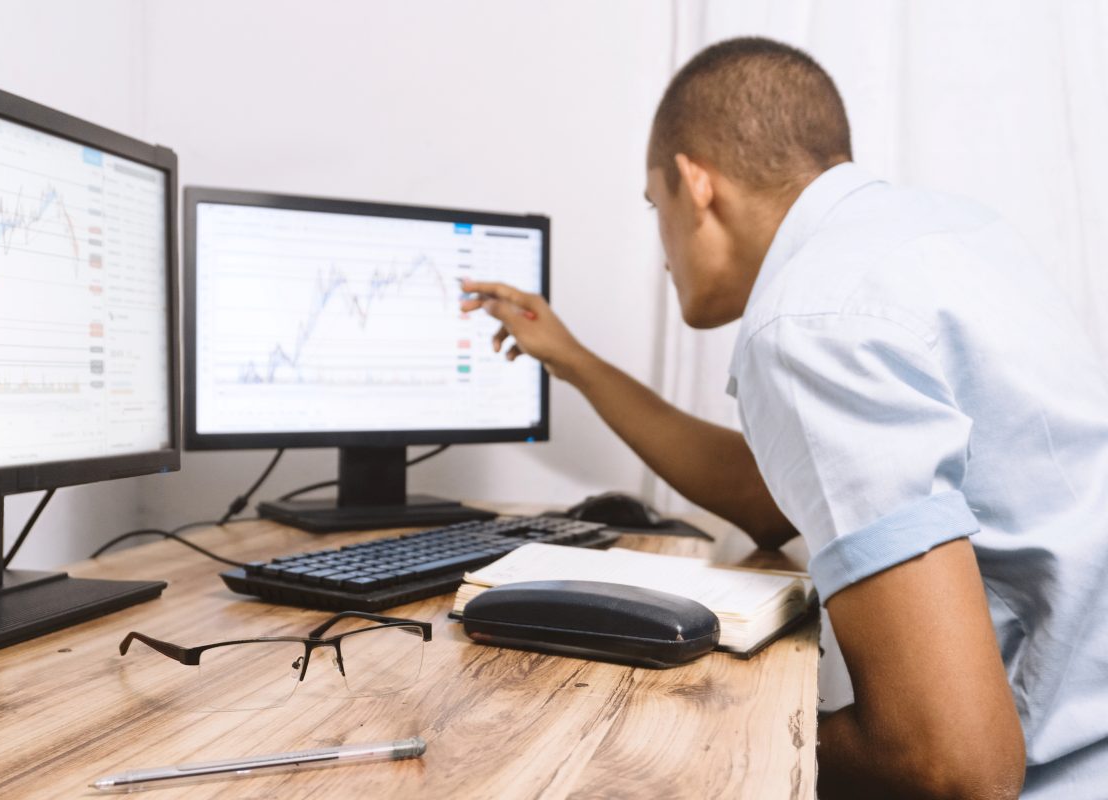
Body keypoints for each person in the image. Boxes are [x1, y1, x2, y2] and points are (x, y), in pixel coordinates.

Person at [460, 37, 1108, 799]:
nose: (662, 249)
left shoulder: (810, 316)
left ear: (694, 184)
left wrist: (693, 729)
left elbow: (953, 765)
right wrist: (576, 362)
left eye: (653, 204)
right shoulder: (945, 235)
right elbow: (779, 500)